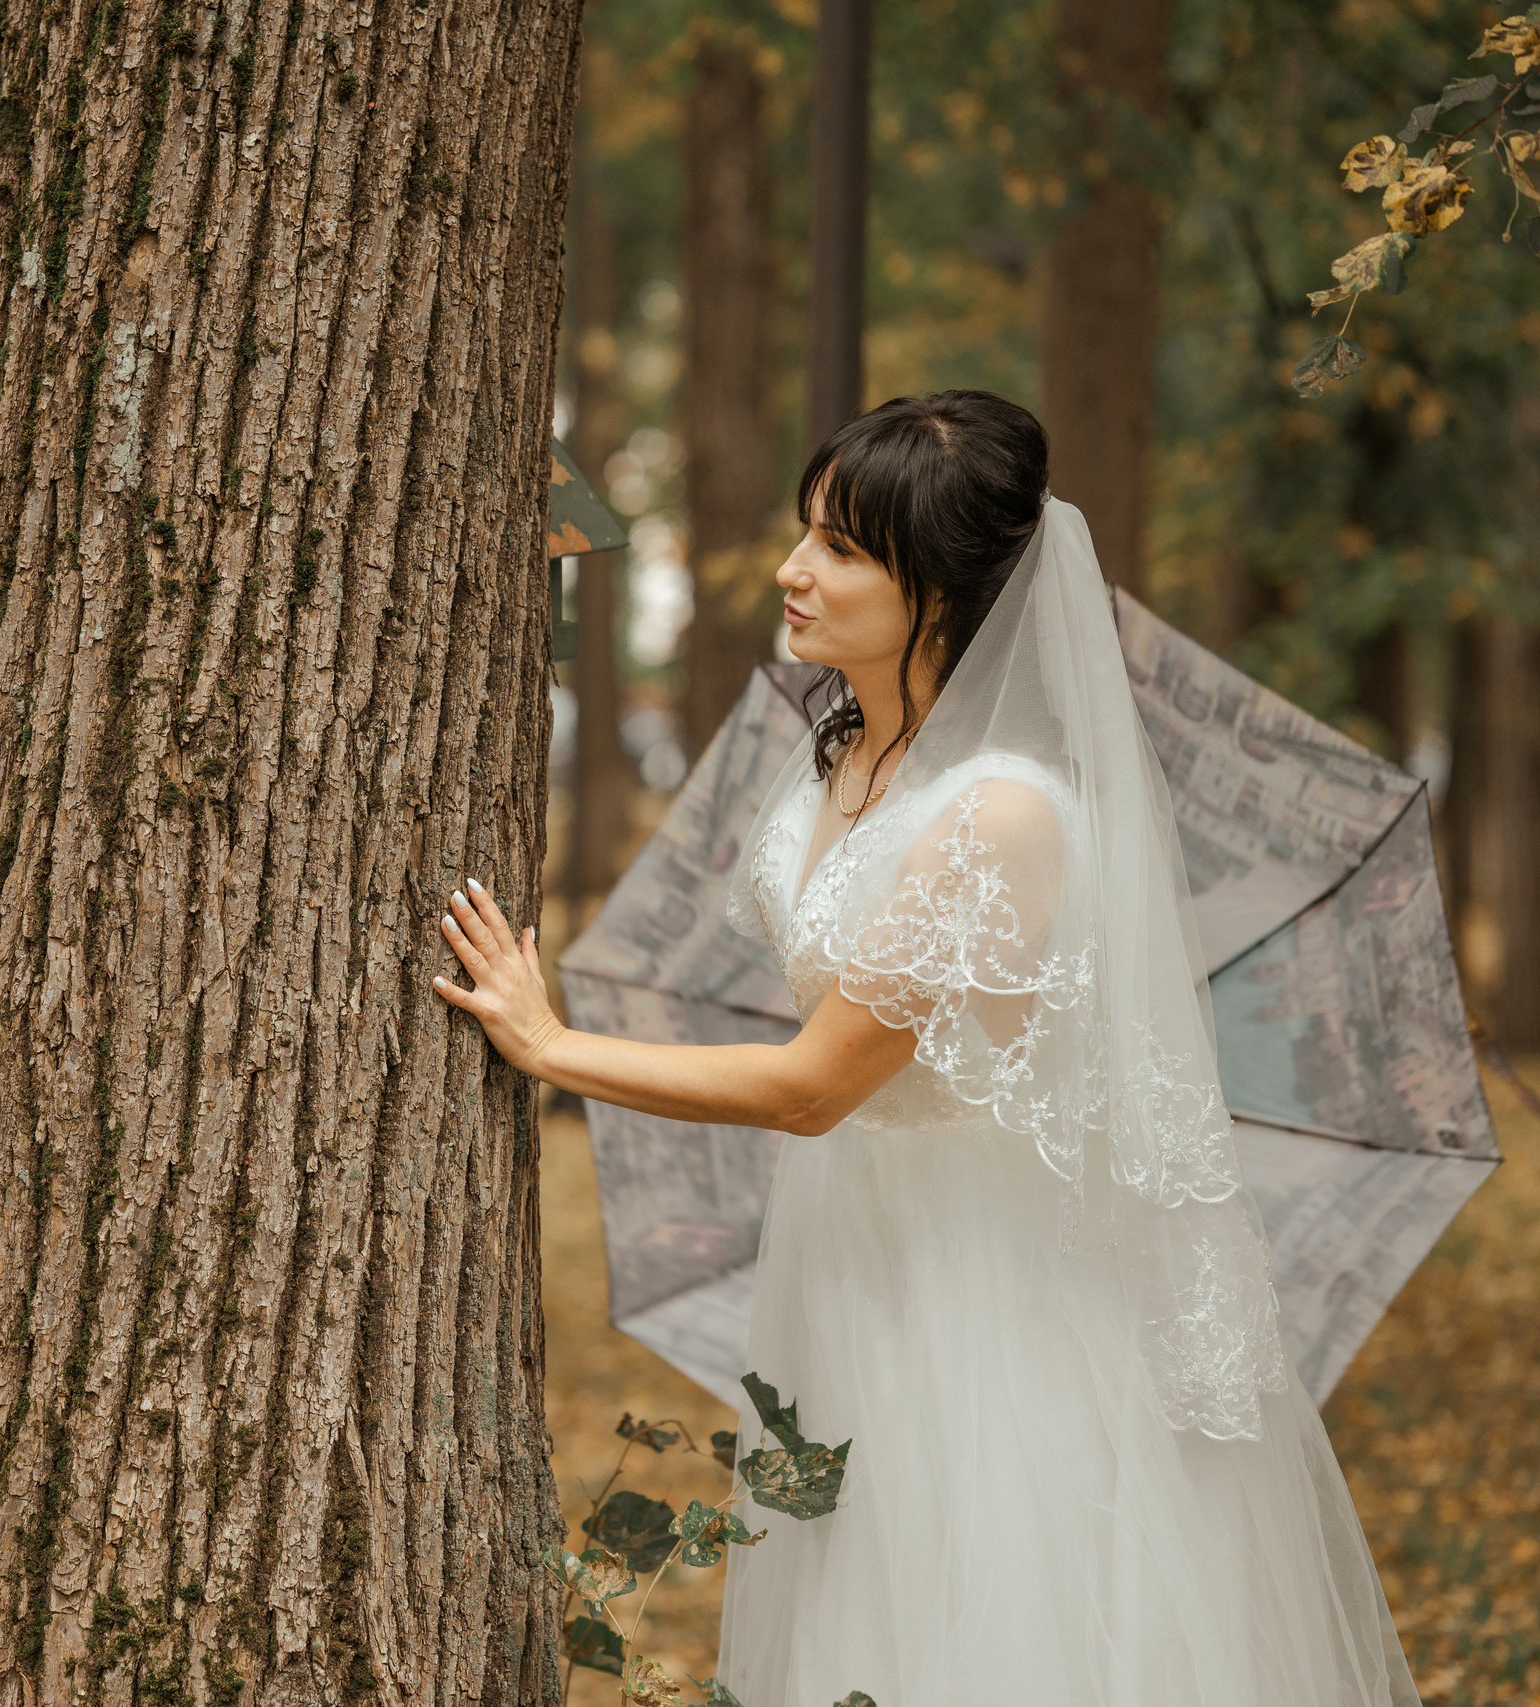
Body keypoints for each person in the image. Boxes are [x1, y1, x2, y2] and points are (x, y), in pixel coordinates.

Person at [434, 392, 1417, 1705]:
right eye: (806, 533)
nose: (793, 569)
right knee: (861, 1607)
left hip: (987, 1292)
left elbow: (812, 1084)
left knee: (987, 1620)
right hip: (858, 1253)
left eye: (840, 548)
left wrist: (552, 1042)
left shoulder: (999, 817)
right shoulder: (849, 753)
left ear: (944, 590)